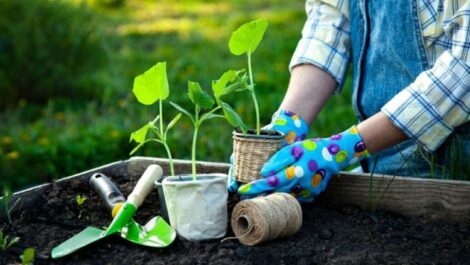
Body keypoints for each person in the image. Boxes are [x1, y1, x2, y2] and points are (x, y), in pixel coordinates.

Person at [229, 0, 470, 202]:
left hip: (454, 174)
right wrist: (288, 123)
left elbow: (463, 72)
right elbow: (330, 19)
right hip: (376, 165)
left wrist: (341, 149)